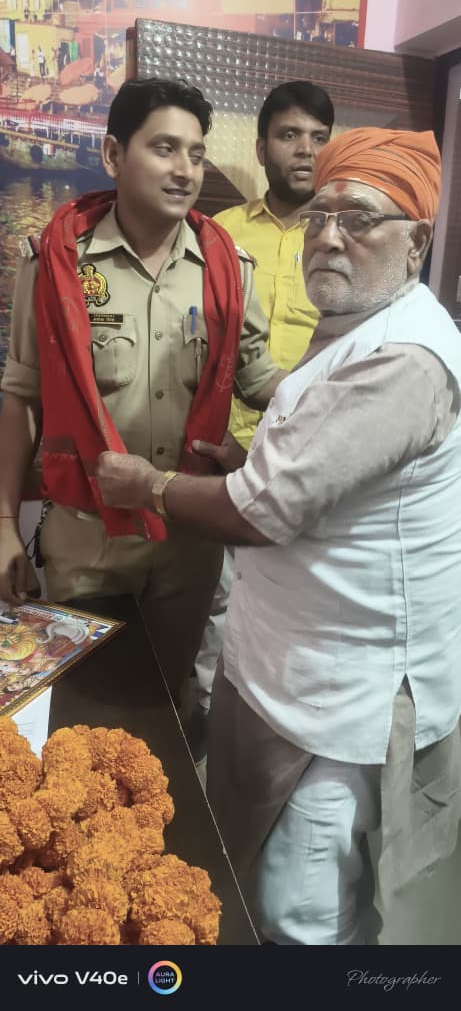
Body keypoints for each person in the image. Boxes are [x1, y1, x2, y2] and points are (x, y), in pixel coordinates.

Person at [95, 126, 461, 945]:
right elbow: (320, 462)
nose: (328, 236)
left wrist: (148, 486)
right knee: (251, 867)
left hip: (343, 690)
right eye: (319, 216)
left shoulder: (404, 358)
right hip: (285, 658)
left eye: (358, 219)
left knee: (303, 910)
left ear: (416, 243)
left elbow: (268, 511)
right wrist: (242, 459)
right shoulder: (353, 321)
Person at [0, 77, 285, 709]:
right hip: (88, 538)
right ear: (113, 154)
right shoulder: (56, 263)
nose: (185, 170)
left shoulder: (228, 270)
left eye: (197, 154)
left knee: (169, 702)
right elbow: (22, 397)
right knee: (84, 706)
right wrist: (3, 528)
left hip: (189, 540)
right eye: (164, 148)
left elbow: (259, 379)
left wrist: (340, 375)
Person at [190, 79, 334, 760]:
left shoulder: (340, 239)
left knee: (293, 603)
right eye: (289, 135)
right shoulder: (221, 234)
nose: (305, 150)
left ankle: (279, 733)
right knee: (212, 598)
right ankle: (205, 717)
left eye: (318, 137)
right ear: (261, 148)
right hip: (221, 453)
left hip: (304, 458)